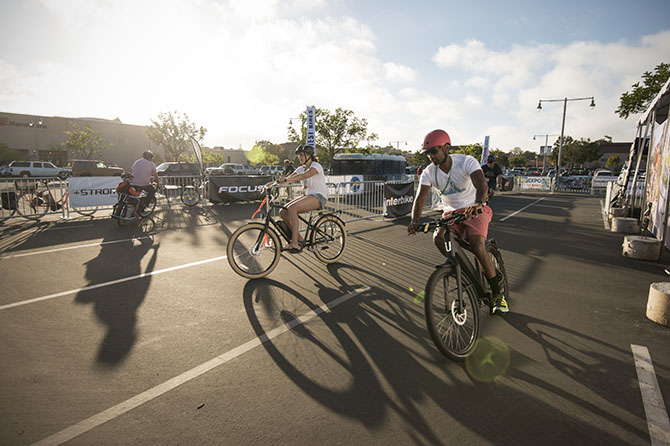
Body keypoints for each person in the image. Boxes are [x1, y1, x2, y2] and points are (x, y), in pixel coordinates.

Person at [407, 129, 508, 315]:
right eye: (427, 153)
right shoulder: (429, 172)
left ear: (446, 148)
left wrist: (478, 204)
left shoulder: (466, 161)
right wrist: (414, 221)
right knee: (439, 237)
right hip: (451, 213)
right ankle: (463, 273)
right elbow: (420, 198)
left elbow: (481, 184)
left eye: (433, 151)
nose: (430, 157)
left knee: (477, 245)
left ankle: (497, 294)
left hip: (475, 208)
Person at [267, 145, 328, 253]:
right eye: (299, 155)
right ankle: (299, 239)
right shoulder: (301, 168)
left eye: (301, 155)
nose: (299, 158)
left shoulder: (315, 166)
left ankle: (294, 243)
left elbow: (304, 176)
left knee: (292, 209)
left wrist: (286, 179)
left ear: (308, 155)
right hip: (308, 196)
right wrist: (270, 185)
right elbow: (288, 179)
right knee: (283, 212)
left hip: (319, 196)